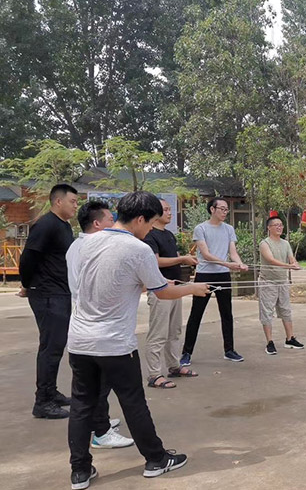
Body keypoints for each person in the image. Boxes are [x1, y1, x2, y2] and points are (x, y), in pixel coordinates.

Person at [67, 191, 210, 489]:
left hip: (80, 340)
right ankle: (156, 459)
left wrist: (150, 283)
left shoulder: (84, 243)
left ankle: (79, 471)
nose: (151, 229)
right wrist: (192, 289)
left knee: (82, 405)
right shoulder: (138, 248)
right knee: (133, 402)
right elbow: (163, 292)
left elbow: (106, 280)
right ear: (141, 219)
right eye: (152, 222)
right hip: (114, 343)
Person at [66, 200, 133, 449]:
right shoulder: (91, 247)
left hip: (83, 326)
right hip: (95, 326)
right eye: (109, 219)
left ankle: (99, 422)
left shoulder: (79, 246)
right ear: (97, 223)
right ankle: (101, 431)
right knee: (99, 383)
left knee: (93, 386)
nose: (114, 223)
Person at [19, 183, 78, 419]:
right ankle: (42, 402)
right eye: (73, 201)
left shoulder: (63, 226)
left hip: (60, 292)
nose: (76, 206)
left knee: (56, 345)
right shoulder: (46, 225)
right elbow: (29, 256)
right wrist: (27, 284)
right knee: (50, 348)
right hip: (47, 293)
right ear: (58, 201)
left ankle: (51, 393)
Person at [180, 197, 247, 366]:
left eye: (226, 209)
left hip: (223, 275)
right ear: (212, 209)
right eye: (222, 209)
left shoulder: (229, 229)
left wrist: (239, 264)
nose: (225, 212)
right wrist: (228, 264)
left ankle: (229, 350)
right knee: (196, 314)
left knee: (227, 313)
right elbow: (206, 254)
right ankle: (186, 352)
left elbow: (233, 252)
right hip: (205, 275)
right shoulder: (201, 228)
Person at [143, 199, 199, 388]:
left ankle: (174, 366)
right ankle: (154, 374)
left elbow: (173, 258)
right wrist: (182, 259)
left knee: (174, 331)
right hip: (159, 289)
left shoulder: (168, 235)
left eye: (169, 209)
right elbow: (155, 261)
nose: (169, 212)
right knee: (158, 333)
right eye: (165, 209)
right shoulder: (149, 235)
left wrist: (184, 259)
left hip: (175, 288)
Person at [258, 216, 304, 355]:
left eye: (281, 225)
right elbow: (271, 260)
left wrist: (294, 263)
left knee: (286, 310)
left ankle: (290, 339)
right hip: (268, 282)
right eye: (276, 225)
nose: (279, 227)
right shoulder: (264, 243)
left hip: (282, 281)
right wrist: (289, 266)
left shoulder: (285, 243)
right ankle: (270, 342)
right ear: (269, 227)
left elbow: (291, 258)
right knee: (267, 312)